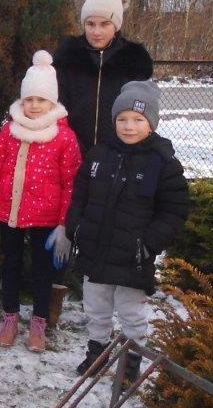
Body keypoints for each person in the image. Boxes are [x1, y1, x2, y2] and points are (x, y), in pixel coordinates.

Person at [65, 80, 190, 384]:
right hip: (95, 248)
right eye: (122, 119)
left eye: (138, 120)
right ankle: (97, 353)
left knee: (131, 313)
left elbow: (174, 210)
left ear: (151, 123)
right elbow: (80, 194)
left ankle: (131, 362)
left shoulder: (163, 163)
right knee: (96, 307)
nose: (129, 126)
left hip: (133, 256)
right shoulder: (100, 154)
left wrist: (148, 243)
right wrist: (76, 227)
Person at [0, 51, 82, 352]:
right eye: (29, 99)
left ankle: (39, 322)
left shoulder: (64, 137)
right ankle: (10, 318)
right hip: (9, 214)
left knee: (41, 271)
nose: (34, 106)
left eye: (41, 100)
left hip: (46, 219)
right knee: (10, 265)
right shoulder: (9, 132)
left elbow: (70, 183)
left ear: (52, 103)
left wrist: (64, 224)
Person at [53, 0, 153, 155]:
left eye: (104, 24)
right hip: (71, 150)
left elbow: (142, 112)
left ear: (116, 25)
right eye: (90, 24)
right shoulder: (67, 56)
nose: (96, 32)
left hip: (118, 152)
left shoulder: (133, 60)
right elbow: (55, 105)